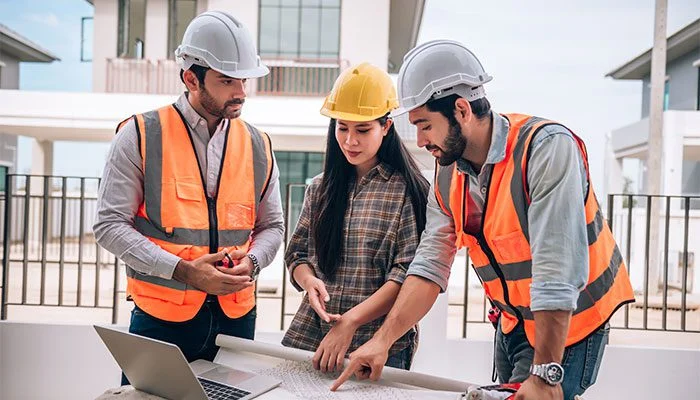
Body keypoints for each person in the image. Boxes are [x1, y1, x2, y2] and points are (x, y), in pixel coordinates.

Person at [332, 40, 635, 400]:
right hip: (512, 324)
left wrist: (545, 374)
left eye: (425, 125)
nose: (420, 139)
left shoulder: (546, 149)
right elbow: (430, 265)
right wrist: (382, 341)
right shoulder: (447, 175)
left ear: (461, 110)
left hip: (569, 324)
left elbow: (557, 269)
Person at [93, 10, 284, 381]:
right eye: (227, 80)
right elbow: (109, 226)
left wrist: (255, 262)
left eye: (244, 79)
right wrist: (184, 272)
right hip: (161, 323)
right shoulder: (140, 134)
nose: (241, 91)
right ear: (190, 78)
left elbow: (273, 226)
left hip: (237, 321)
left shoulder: (258, 144)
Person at [282, 63, 430, 373]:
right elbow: (296, 255)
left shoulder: (408, 192)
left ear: (386, 127)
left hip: (377, 346)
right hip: (313, 337)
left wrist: (351, 321)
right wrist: (309, 282)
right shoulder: (320, 188)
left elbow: (405, 275)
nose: (350, 141)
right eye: (342, 128)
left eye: (363, 130)